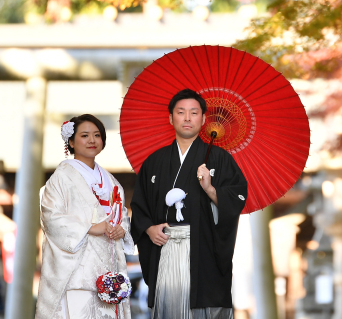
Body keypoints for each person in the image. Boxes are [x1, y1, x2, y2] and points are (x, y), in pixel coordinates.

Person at [130, 89, 248, 319]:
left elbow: (236, 200)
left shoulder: (219, 159)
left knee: (205, 308)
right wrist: (149, 228)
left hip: (203, 248)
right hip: (165, 247)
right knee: (170, 307)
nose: (187, 118)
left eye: (194, 113)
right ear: (170, 118)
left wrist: (210, 189)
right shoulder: (155, 161)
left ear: (203, 119)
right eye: (181, 112)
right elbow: (140, 204)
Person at [35, 114, 134, 319]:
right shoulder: (62, 177)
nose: (92, 140)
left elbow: (121, 213)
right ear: (71, 142)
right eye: (85, 135)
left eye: (97, 135)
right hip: (78, 269)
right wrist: (89, 227)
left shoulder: (110, 180)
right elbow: (51, 215)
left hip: (108, 263)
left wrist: (121, 228)